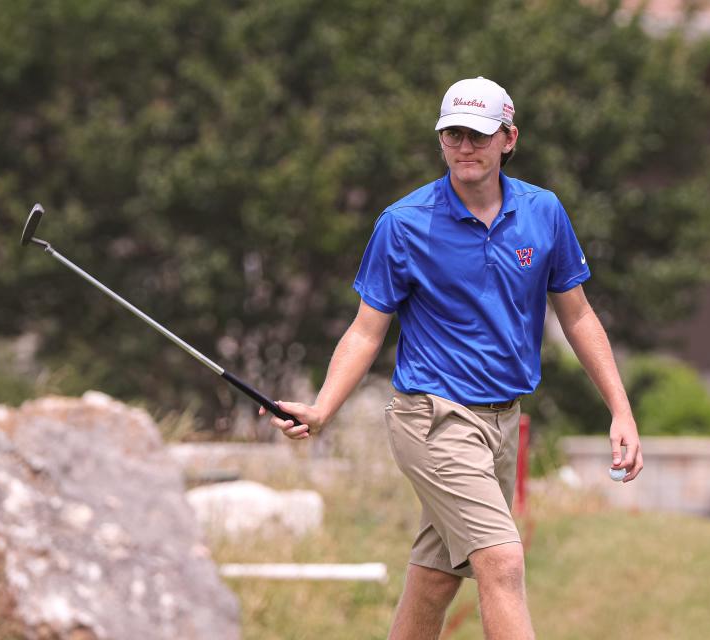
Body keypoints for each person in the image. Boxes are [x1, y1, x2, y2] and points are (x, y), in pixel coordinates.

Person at [262, 76, 643, 640]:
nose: (464, 147)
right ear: (441, 140)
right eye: (453, 135)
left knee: (437, 577)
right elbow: (367, 331)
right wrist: (322, 409)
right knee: (502, 561)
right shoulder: (403, 223)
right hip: (432, 418)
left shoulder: (545, 213)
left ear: (508, 139)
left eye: (478, 135)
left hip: (502, 421)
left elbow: (578, 315)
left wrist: (621, 409)